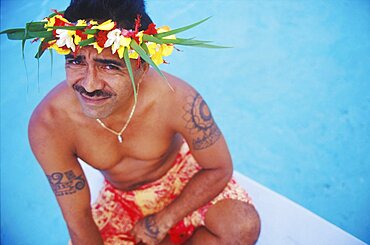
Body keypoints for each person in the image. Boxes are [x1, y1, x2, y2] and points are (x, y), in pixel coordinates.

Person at [6, 0, 261, 244]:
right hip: (120, 198)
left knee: (241, 225)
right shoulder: (50, 124)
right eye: (75, 61)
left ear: (142, 67)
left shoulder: (176, 99)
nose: (89, 85)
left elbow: (219, 168)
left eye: (109, 66)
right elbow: (78, 219)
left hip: (183, 177)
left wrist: (162, 221)